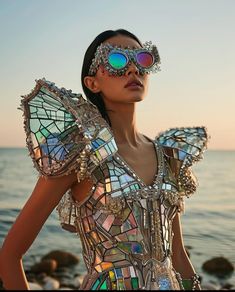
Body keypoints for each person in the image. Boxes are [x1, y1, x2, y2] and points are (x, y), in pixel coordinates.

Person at [0, 29, 209, 290]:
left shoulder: (168, 156)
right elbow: (9, 255)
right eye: (118, 61)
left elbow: (177, 255)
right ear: (92, 83)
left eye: (142, 59)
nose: (133, 69)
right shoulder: (81, 153)